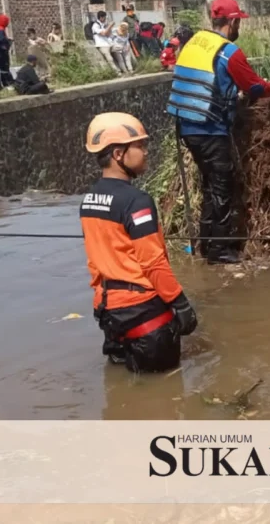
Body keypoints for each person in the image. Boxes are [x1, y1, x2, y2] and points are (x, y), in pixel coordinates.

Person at [165, 0, 270, 265]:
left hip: (186, 126)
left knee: (210, 184)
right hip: (209, 128)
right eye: (238, 21)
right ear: (232, 22)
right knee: (222, 183)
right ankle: (218, 251)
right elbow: (254, 87)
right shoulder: (229, 52)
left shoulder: (194, 42)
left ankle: (207, 243)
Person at [79, 112, 199, 372]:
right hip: (145, 316)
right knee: (167, 399)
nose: (146, 152)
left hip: (109, 314)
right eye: (140, 146)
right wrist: (181, 304)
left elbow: (95, 260)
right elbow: (153, 263)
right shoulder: (136, 201)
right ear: (118, 154)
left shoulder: (89, 200)